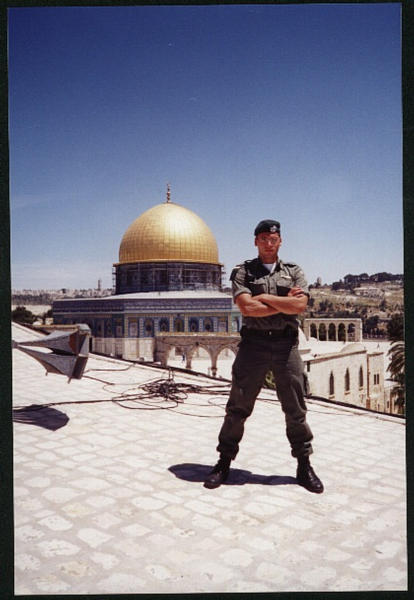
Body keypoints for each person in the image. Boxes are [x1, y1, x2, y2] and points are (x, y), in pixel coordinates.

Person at [204, 219, 323, 493]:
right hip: (253, 346)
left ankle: (304, 465)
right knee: (238, 407)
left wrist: (264, 299)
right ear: (256, 241)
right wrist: (284, 303)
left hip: (286, 346)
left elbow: (300, 305)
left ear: (280, 241)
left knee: (295, 408)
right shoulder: (243, 272)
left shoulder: (294, 271)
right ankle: (223, 462)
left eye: (274, 239)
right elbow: (248, 309)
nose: (269, 244)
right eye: (264, 239)